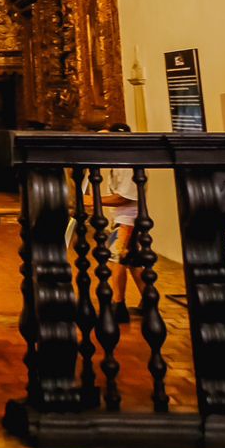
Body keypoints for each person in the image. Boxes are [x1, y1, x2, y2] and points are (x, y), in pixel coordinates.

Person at [86, 124, 142, 324]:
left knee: (115, 259)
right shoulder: (118, 161)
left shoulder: (128, 163)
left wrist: (94, 200)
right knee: (133, 262)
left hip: (128, 219)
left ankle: (119, 305)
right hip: (121, 217)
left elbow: (124, 197)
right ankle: (148, 301)